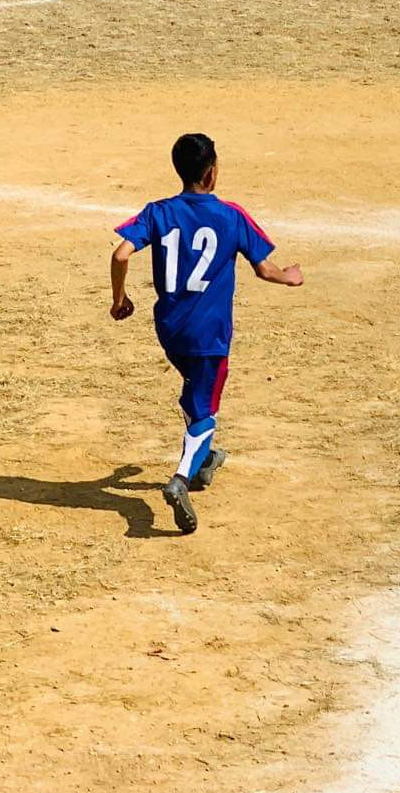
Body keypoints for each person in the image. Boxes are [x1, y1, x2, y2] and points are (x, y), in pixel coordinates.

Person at [110, 133, 304, 534]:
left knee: (191, 394)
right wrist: (290, 277)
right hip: (210, 336)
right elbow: (264, 268)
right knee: (205, 411)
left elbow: (120, 253)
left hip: (169, 329)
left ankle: (204, 461)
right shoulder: (231, 216)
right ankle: (181, 478)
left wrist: (120, 299)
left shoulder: (158, 211)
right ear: (212, 173)